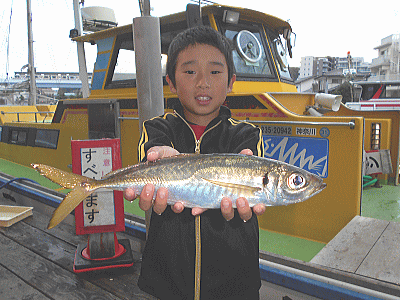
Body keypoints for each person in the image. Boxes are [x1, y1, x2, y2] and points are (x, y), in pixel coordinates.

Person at [124, 25, 266, 300]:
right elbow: (153, 150)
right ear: (171, 82)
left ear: (230, 81)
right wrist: (160, 154)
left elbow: (250, 168)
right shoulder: (158, 128)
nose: (203, 82)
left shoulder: (246, 133)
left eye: (215, 72)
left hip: (234, 283)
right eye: (190, 72)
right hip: (168, 280)